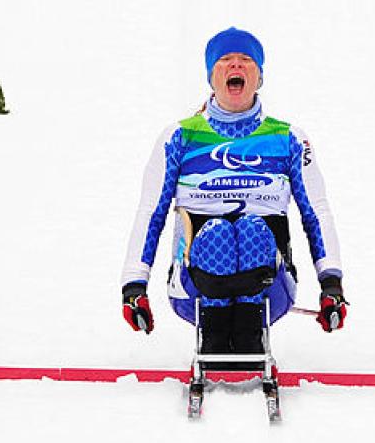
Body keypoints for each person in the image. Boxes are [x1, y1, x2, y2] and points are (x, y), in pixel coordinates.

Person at [121, 27, 346, 354]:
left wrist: (331, 284)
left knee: (253, 229)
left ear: (260, 76)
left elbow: (316, 212)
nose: (235, 67)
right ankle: (213, 336)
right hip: (193, 286)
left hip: (272, 287)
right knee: (216, 234)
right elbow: (150, 212)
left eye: (246, 61)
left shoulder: (288, 139)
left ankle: (248, 335)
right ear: (212, 76)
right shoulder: (180, 137)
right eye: (225, 60)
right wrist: (134, 285)